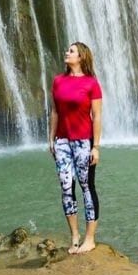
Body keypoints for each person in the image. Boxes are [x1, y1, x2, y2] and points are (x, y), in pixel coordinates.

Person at [48, 41, 102, 254]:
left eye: (71, 51)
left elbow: (97, 116)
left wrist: (96, 146)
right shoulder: (58, 81)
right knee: (65, 187)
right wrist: (51, 140)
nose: (66, 53)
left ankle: (90, 238)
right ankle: (74, 237)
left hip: (83, 142)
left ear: (81, 58)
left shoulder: (91, 83)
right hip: (62, 141)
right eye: (67, 50)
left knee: (86, 186)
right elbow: (54, 112)